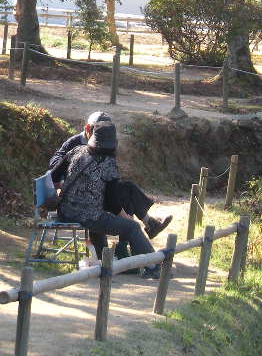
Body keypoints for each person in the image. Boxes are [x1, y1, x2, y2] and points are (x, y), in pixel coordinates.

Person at [50, 120, 160, 278]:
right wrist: (126, 217)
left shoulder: (76, 151)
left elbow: (53, 176)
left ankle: (104, 261)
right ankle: (154, 266)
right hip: (88, 216)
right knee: (132, 227)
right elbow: (112, 202)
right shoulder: (109, 164)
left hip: (64, 212)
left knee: (100, 219)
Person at [48, 111, 172, 239]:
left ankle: (143, 228)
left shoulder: (104, 143)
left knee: (126, 191)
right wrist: (67, 178)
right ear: (88, 129)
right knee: (123, 196)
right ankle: (144, 228)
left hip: (98, 193)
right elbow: (55, 163)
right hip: (78, 199)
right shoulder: (75, 143)